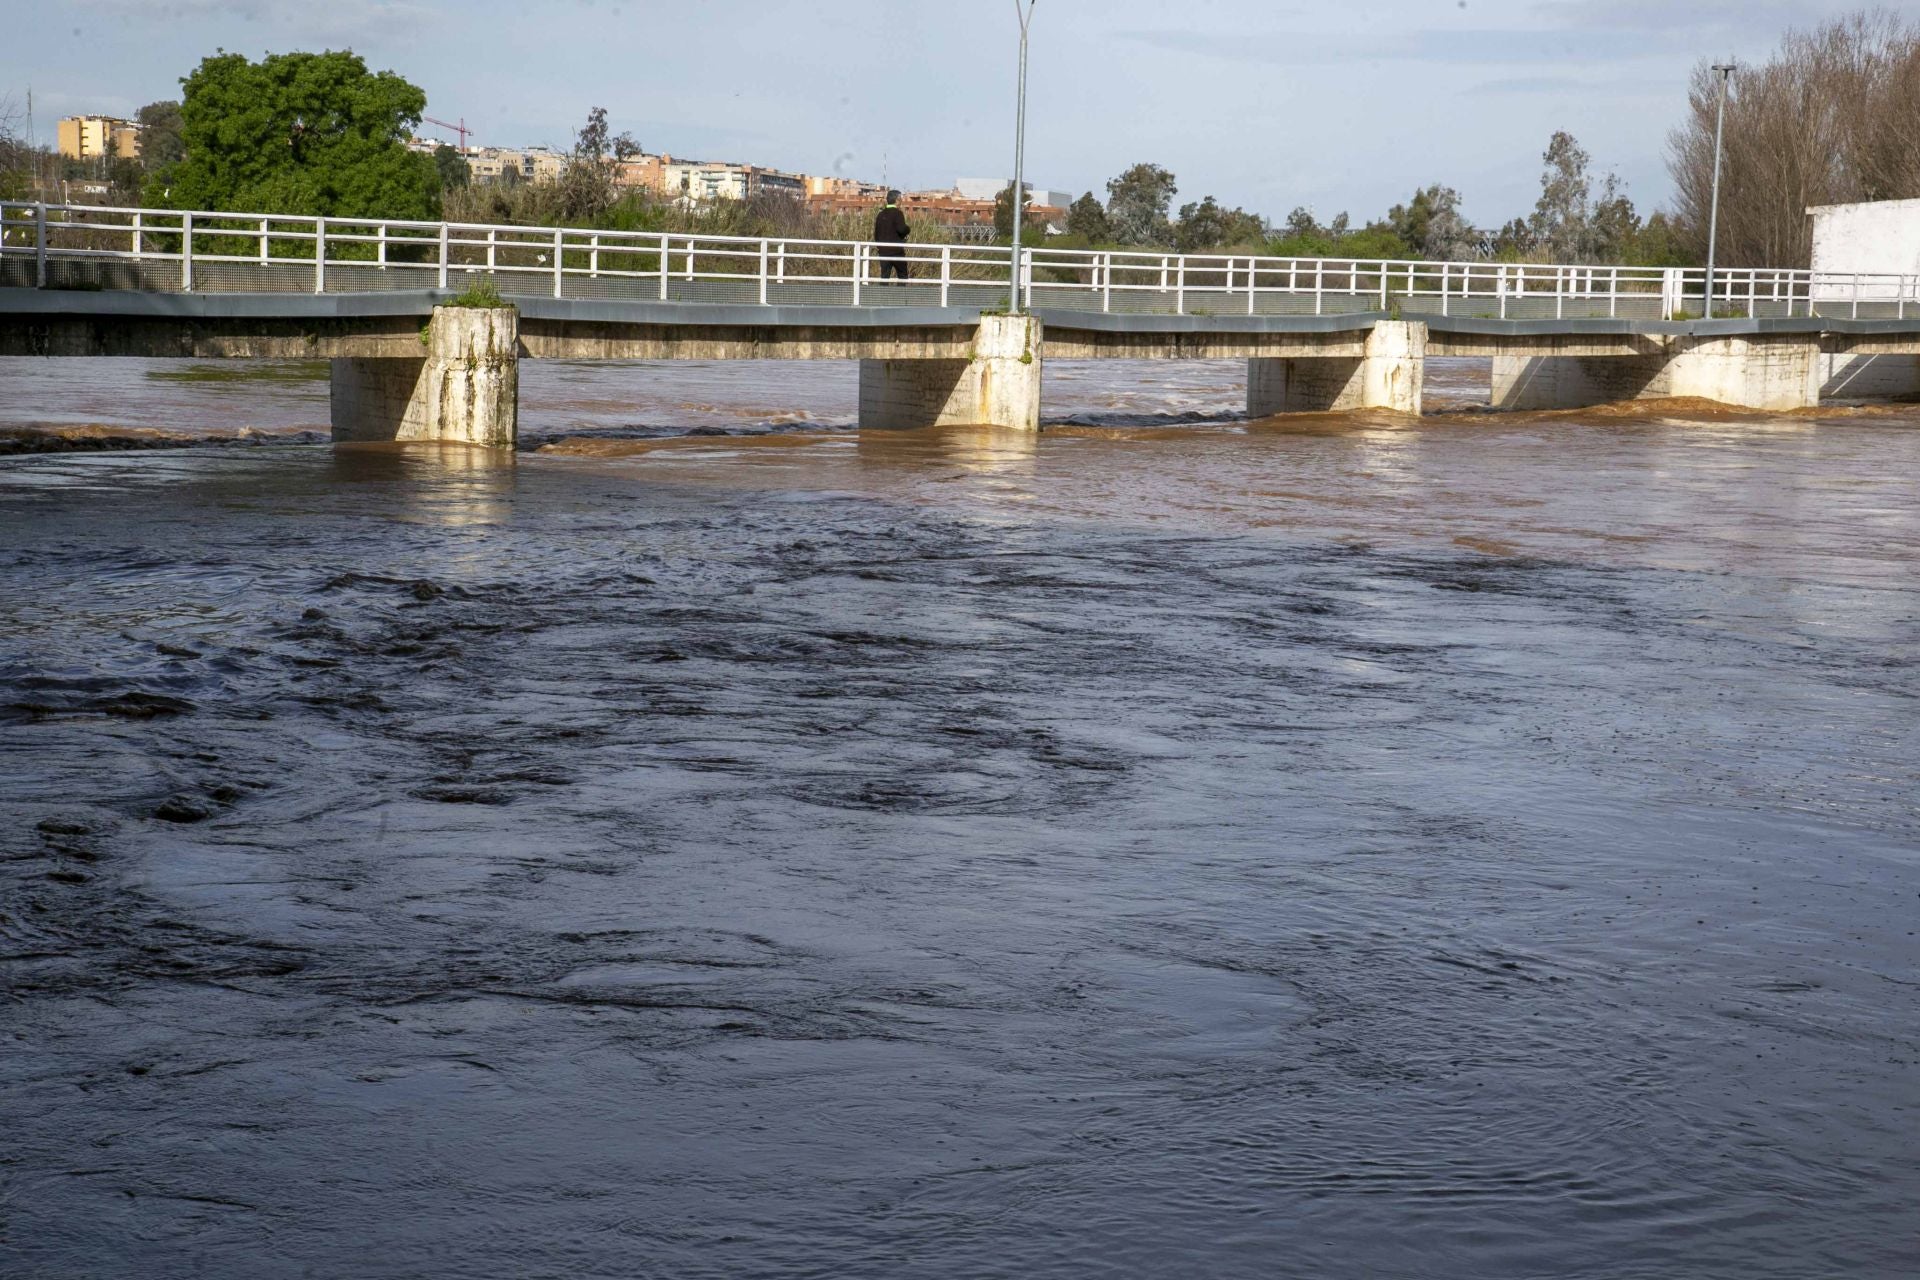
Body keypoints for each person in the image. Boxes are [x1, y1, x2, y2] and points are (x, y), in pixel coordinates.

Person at [873, 190, 910, 282]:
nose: (901, 200)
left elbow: (876, 234)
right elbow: (901, 229)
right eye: (900, 198)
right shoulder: (898, 214)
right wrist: (907, 229)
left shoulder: (880, 215)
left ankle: (883, 295)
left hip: (883, 251)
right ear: (897, 200)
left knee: (884, 277)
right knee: (903, 276)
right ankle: (901, 296)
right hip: (896, 251)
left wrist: (880, 247)